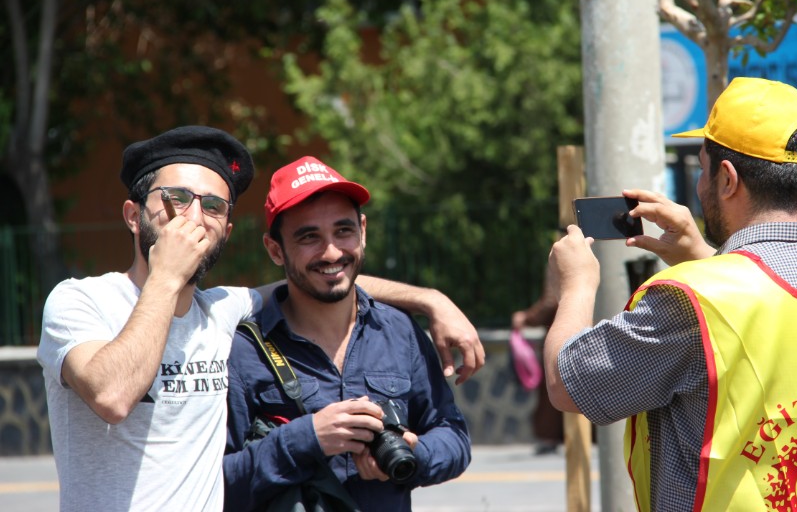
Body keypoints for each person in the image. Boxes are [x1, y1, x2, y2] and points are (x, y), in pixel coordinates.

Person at [37, 127, 483, 512]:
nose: (193, 218)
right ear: (133, 216)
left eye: (213, 206)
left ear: (226, 230)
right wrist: (167, 276)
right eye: (175, 200)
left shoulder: (220, 312)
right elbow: (112, 396)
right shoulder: (81, 301)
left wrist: (430, 300)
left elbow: (324, 278)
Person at [543, 77, 797, 510]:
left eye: (703, 169)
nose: (700, 185)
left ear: (727, 179)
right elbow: (792, 324)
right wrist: (710, 258)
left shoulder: (690, 301)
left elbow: (566, 383)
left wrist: (576, 285)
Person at [223, 156, 471, 511]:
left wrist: (415, 454)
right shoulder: (242, 350)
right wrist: (306, 438)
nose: (332, 252)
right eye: (309, 237)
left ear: (363, 230)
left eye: (343, 231)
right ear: (275, 250)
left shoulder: (398, 331)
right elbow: (215, 483)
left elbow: (454, 437)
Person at [511, 290, 563, 455]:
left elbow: (550, 300)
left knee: (552, 390)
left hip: (562, 335)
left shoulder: (558, 263)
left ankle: (549, 436)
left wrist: (528, 318)